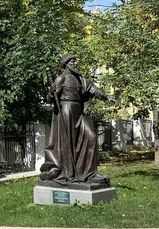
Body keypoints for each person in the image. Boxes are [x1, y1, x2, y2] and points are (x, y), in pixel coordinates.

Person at [40, 54, 116, 186]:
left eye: (76, 61)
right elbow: (51, 99)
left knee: (91, 138)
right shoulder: (61, 78)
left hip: (77, 112)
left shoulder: (80, 79)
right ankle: (69, 173)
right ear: (66, 64)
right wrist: (50, 93)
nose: (75, 64)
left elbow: (93, 89)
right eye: (72, 61)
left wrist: (106, 97)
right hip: (66, 111)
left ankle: (90, 173)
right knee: (67, 143)